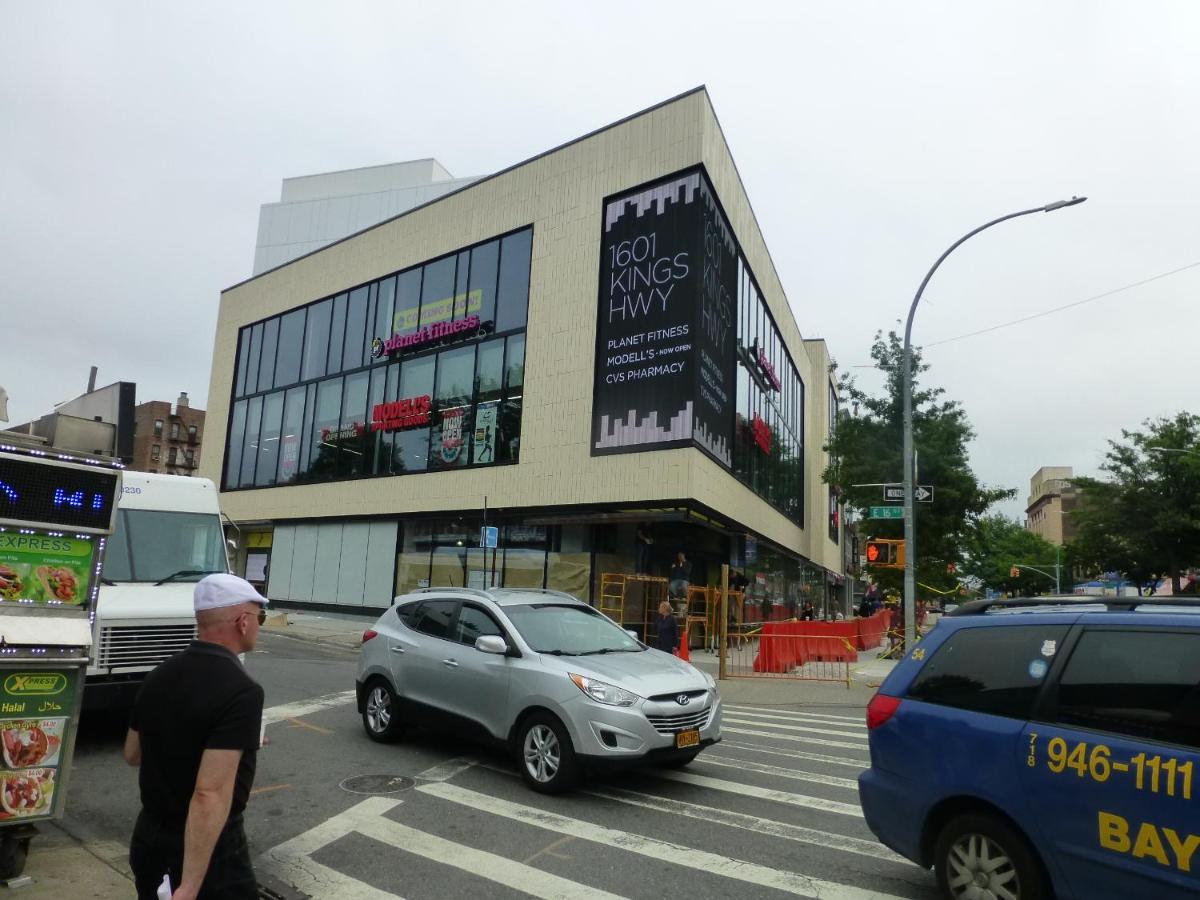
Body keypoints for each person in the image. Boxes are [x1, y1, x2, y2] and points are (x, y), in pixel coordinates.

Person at [125, 574, 269, 900]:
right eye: (260, 616)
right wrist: (189, 885)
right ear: (243, 622)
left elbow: (133, 753)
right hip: (208, 852)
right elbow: (209, 794)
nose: (261, 624)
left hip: (148, 836)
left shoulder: (158, 676)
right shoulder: (242, 690)